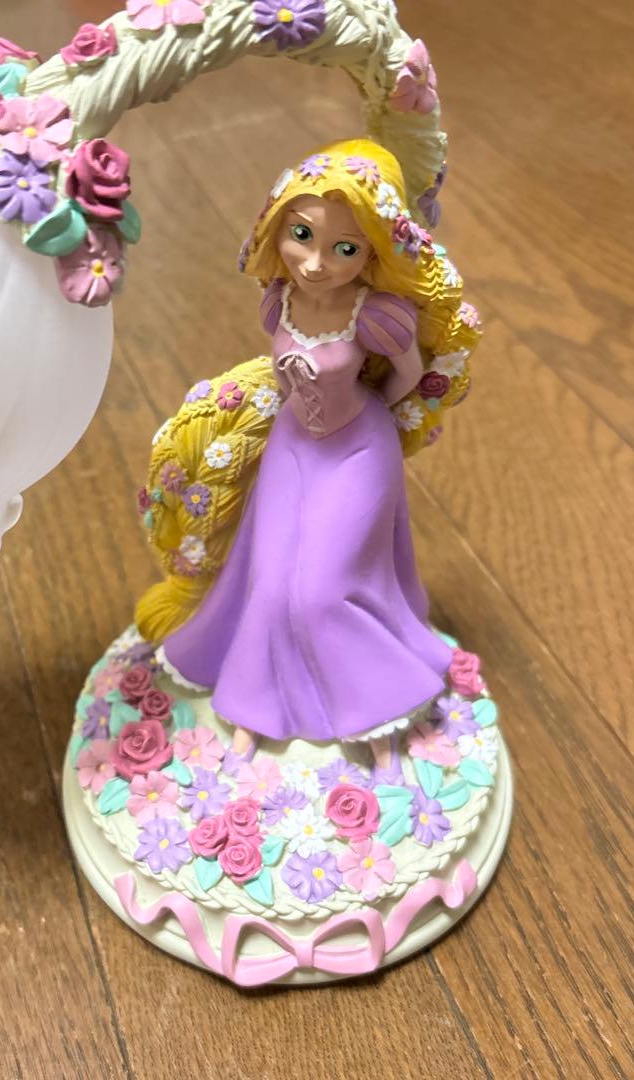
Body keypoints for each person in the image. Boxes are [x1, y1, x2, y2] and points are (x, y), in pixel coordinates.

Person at [135, 138, 482, 766]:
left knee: (322, 590)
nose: (316, 263)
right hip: (293, 443)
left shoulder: (378, 315)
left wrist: (372, 414)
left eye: (344, 248)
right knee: (269, 583)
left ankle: (376, 707)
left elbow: (407, 377)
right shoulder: (280, 300)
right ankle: (255, 703)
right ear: (277, 229)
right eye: (302, 236)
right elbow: (282, 365)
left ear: (373, 252)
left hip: (359, 449)